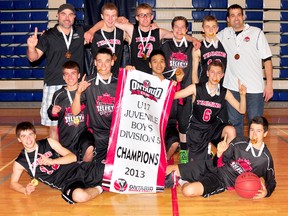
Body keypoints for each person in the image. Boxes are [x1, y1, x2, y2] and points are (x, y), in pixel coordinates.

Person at [165, 116, 276, 199]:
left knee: (188, 191)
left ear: (265, 133)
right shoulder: (238, 142)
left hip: (221, 180)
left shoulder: (265, 159)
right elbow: (217, 163)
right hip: (209, 165)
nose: (254, 135)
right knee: (166, 170)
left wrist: (267, 193)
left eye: (259, 131)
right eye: (252, 130)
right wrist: (219, 153)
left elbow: (271, 181)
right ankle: (181, 177)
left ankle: (182, 181)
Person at [27, 3, 87, 141]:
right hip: (54, 84)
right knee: (54, 126)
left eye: (70, 14)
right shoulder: (48, 35)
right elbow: (33, 57)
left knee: (78, 123)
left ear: (74, 17)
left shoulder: (81, 31)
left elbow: (102, 24)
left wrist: (121, 20)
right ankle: (55, 158)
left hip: (76, 85)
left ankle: (76, 156)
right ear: (57, 15)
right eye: (63, 14)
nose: (67, 17)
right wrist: (31, 47)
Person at [10, 121, 104, 204]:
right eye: (23, 136)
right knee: (80, 196)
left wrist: (52, 161)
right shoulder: (20, 162)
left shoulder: (49, 142)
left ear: (35, 135)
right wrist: (24, 190)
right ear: (19, 139)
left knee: (112, 171)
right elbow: (13, 183)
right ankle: (100, 187)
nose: (28, 139)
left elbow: (73, 157)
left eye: (30, 134)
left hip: (80, 169)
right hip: (66, 182)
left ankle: (102, 181)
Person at [217, 4, 273, 136]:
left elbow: (267, 60)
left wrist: (269, 84)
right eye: (232, 15)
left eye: (238, 14)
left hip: (254, 88)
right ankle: (238, 153)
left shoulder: (257, 33)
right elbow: (207, 40)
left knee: (256, 124)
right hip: (232, 87)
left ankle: (253, 155)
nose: (236, 18)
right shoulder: (224, 34)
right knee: (234, 123)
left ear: (243, 17)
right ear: (228, 19)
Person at [174, 61, 247, 161]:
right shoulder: (196, 88)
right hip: (196, 128)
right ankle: (203, 154)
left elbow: (241, 110)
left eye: (218, 73)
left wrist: (243, 95)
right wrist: (176, 82)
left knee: (231, 130)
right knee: (191, 165)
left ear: (222, 75)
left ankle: (225, 162)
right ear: (207, 73)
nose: (215, 75)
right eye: (212, 72)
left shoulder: (224, 92)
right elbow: (174, 95)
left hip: (212, 127)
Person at [114, 3, 200, 73]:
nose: (145, 18)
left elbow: (178, 34)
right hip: (136, 73)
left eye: (147, 15)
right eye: (142, 15)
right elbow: (109, 21)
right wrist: (119, 18)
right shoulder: (131, 29)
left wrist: (194, 39)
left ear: (152, 17)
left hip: (154, 75)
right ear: (137, 17)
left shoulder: (158, 32)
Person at [72, 48, 117, 163]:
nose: (103, 65)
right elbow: (75, 112)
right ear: (95, 63)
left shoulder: (121, 81)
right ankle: (85, 173)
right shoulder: (88, 82)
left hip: (116, 134)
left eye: (107, 61)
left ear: (112, 62)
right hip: (94, 133)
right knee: (88, 150)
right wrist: (78, 93)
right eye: (99, 61)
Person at [160, 16, 195, 162]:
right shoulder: (165, 47)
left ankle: (184, 158)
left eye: (182, 27)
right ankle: (162, 157)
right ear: (172, 29)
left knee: (184, 128)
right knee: (164, 126)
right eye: (176, 27)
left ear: (187, 30)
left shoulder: (192, 47)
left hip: (184, 94)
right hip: (168, 93)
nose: (179, 30)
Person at [47, 61, 95, 162]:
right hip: (66, 138)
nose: (70, 77)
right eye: (66, 74)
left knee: (89, 149)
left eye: (73, 73)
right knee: (69, 166)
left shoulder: (86, 91)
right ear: (63, 77)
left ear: (78, 75)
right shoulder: (58, 94)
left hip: (83, 134)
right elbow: (52, 115)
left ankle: (86, 173)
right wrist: (52, 111)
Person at [148, 49, 183, 160]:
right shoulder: (144, 82)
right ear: (150, 64)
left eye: (162, 61)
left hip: (168, 123)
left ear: (165, 63)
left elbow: (180, 102)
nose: (159, 64)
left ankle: (164, 162)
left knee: (175, 143)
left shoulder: (171, 82)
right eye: (155, 61)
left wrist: (178, 84)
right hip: (150, 123)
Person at [90, 3, 126, 77]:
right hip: (98, 76)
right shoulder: (94, 34)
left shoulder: (122, 33)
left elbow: (135, 31)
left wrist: (151, 26)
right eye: (107, 15)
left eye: (113, 16)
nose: (110, 19)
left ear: (117, 17)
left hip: (115, 77)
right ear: (102, 16)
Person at [193, 15, 227, 84]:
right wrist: (196, 92)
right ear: (202, 29)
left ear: (217, 29)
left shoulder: (225, 44)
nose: (211, 30)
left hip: (222, 87)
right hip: (204, 86)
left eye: (213, 27)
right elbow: (194, 73)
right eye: (207, 27)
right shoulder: (197, 48)